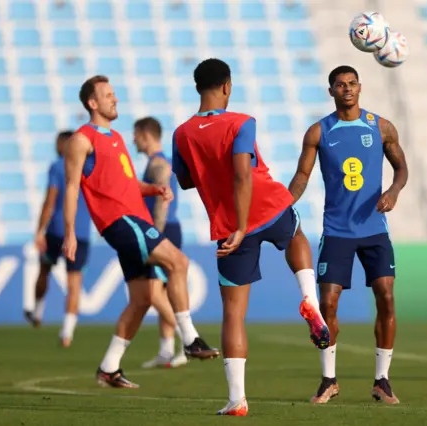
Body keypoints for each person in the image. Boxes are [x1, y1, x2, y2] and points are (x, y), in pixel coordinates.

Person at [172, 58, 330, 416]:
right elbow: (243, 174)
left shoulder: (181, 133)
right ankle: (309, 298)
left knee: (233, 312)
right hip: (267, 205)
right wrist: (246, 222)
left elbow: (183, 180)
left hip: (229, 226)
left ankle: (237, 399)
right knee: (296, 236)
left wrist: (236, 222)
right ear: (227, 85)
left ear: (198, 88)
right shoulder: (242, 122)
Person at [63, 75, 219, 389]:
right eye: (108, 95)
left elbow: (127, 183)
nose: (114, 99)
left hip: (131, 216)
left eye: (114, 93)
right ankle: (189, 338)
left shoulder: (117, 139)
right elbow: (71, 186)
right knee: (179, 263)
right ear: (92, 103)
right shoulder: (82, 139)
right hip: (121, 221)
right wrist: (69, 232)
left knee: (142, 299)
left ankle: (108, 368)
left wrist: (153, 189)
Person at [288, 65, 408, 405]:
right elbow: (301, 176)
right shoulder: (319, 132)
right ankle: (329, 380)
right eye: (340, 85)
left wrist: (394, 192)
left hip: (374, 229)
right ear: (331, 91)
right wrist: (282, 203)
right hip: (337, 231)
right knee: (327, 304)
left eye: (353, 83)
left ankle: (382, 380)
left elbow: (402, 168)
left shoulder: (381, 126)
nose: (347, 89)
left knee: (385, 296)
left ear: (360, 87)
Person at [25, 130, 92, 348]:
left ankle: (37, 311)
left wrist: (39, 230)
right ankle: (67, 332)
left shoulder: (57, 166)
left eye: (57, 143)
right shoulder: (87, 167)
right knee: (74, 282)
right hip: (81, 233)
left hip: (56, 231)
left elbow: (50, 201)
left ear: (65, 145)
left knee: (44, 269)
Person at [133, 116, 189, 369]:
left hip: (162, 230)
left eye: (135, 134)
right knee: (161, 293)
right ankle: (167, 350)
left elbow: (163, 199)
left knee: (154, 294)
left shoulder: (159, 164)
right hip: (167, 229)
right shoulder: (158, 162)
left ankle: (189, 340)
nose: (133, 139)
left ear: (145, 135)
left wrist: (154, 233)